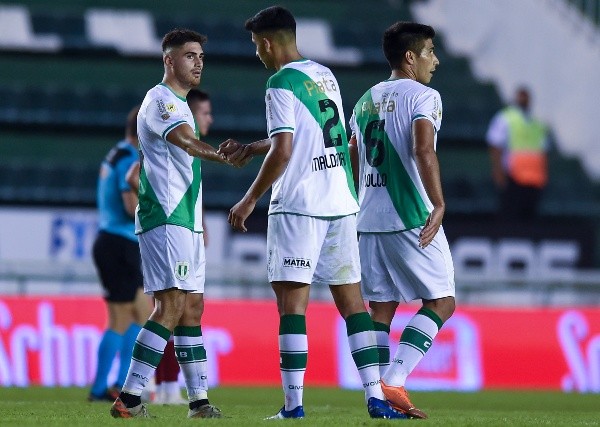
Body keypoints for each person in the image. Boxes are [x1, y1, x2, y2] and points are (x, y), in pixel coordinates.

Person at [219, 6, 406, 420]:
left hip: (299, 205)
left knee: (292, 307)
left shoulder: (279, 83)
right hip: (340, 200)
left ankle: (293, 406)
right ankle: (376, 398)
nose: (257, 54)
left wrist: (249, 198)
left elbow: (285, 150)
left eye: (256, 46)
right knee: (353, 305)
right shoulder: (325, 75)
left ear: (267, 43)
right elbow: (313, 137)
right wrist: (252, 147)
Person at [110, 28, 234, 419]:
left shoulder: (181, 104)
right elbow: (184, 141)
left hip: (186, 219)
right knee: (170, 304)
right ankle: (129, 398)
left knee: (192, 308)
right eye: (189, 55)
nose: (198, 63)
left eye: (201, 56)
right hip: (165, 216)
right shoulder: (160, 99)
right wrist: (222, 156)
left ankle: (198, 402)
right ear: (169, 60)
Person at [348, 22, 456, 419]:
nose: (436, 60)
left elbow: (353, 154)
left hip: (368, 219)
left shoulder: (364, 101)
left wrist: (360, 202)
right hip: (410, 214)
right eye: (430, 51)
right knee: (442, 301)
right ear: (410, 57)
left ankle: (377, 398)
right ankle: (395, 379)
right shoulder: (424, 96)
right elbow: (423, 149)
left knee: (381, 307)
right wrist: (438, 204)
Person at [147, 88, 215, 406]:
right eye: (205, 113)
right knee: (168, 310)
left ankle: (189, 397)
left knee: (187, 311)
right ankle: (141, 390)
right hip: (168, 225)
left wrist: (200, 222)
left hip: (187, 226)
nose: (209, 119)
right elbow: (139, 173)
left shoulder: (192, 150)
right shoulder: (173, 133)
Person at [88, 105, 153, 403]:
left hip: (112, 242)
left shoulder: (115, 152)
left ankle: (113, 385)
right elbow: (130, 208)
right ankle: (108, 387)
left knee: (132, 315)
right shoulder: (129, 158)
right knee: (127, 317)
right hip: (120, 244)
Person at [486, 86, 550, 222]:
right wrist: (498, 171)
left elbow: (543, 151)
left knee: (529, 218)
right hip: (513, 176)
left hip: (534, 179)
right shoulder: (506, 118)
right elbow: (495, 145)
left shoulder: (537, 123)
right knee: (511, 216)